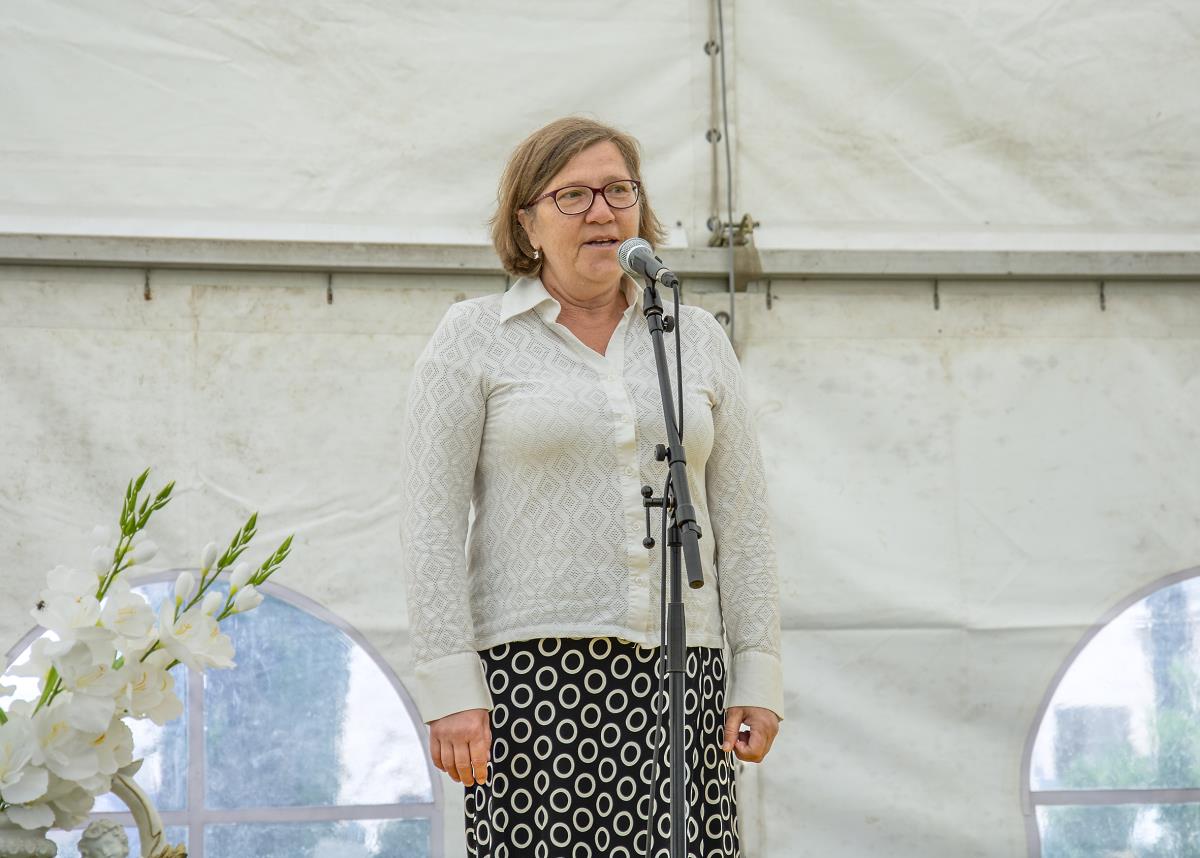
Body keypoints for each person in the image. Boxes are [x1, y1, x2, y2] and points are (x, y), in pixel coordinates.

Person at [401, 116, 783, 857]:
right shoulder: (472, 336)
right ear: (527, 221)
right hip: (531, 682)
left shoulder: (694, 336)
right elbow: (429, 525)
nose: (602, 211)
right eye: (573, 195)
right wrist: (450, 688)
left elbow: (744, 522)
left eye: (618, 191)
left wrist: (757, 674)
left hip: (686, 671)